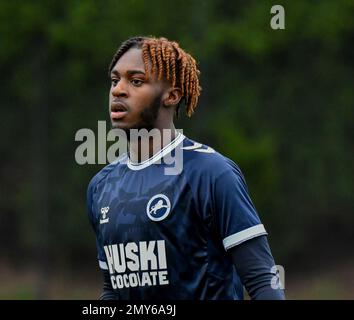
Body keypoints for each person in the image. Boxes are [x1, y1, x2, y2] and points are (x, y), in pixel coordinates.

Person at [86, 36, 285, 300]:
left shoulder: (212, 173)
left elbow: (263, 281)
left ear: (172, 95)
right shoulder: (101, 186)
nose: (118, 90)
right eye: (114, 80)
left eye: (136, 81)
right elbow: (113, 291)